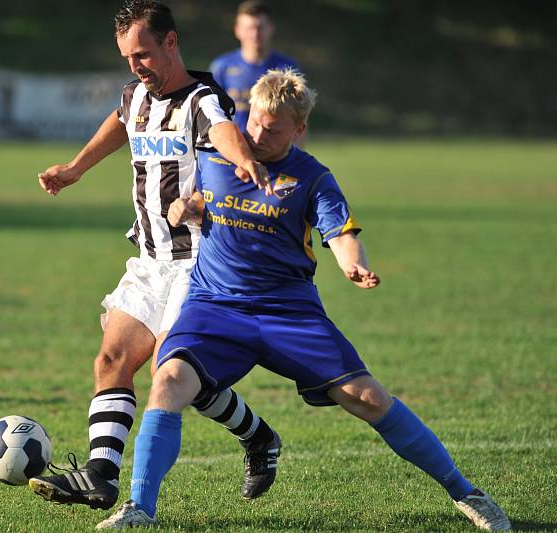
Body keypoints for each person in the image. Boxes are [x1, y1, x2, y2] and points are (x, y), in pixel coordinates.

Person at [96, 68, 511, 531]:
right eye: (254, 121)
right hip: (216, 306)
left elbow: (341, 232)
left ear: (299, 129)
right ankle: (139, 509)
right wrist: (185, 207)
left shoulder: (312, 177)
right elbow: (191, 198)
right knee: (169, 379)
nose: (257, 134)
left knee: (369, 398)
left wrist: (352, 263)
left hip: (288, 312)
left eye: (273, 129)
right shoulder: (216, 155)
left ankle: (466, 493)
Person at [29, 0, 283, 510]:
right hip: (148, 262)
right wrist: (77, 167)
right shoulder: (134, 95)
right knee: (110, 360)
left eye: (143, 54)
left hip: (199, 264)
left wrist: (244, 161)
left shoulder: (203, 98)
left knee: (170, 372)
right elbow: (121, 121)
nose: (136, 66)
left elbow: (223, 130)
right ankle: (101, 478)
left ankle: (257, 436)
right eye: (127, 57)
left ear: (171, 42)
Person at [210, 1, 299, 131]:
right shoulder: (222, 67)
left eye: (260, 27)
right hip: (233, 147)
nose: (255, 34)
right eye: (249, 28)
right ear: (237, 30)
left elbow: (298, 117)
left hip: (272, 149)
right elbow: (211, 115)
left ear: (271, 28)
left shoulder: (287, 68)